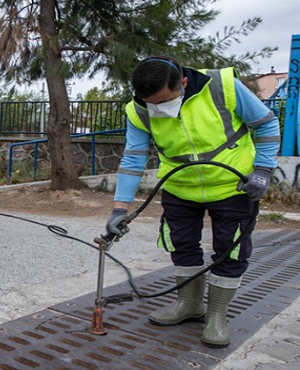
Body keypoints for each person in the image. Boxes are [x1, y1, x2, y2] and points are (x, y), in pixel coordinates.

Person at [105, 56, 280, 348]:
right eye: (152, 103)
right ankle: (189, 305)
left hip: (232, 186)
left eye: (163, 100)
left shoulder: (222, 87)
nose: (158, 109)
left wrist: (262, 170)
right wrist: (119, 209)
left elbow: (265, 124)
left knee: (231, 251)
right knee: (181, 245)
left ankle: (217, 316)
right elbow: (133, 158)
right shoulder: (138, 109)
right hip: (179, 187)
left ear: (183, 82)